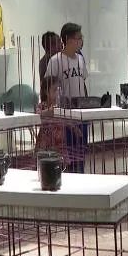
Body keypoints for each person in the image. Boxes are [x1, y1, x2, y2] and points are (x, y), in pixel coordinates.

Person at [45, 23, 89, 172]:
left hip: (81, 112)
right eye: (79, 38)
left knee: (81, 152)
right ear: (69, 40)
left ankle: (81, 177)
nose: (81, 41)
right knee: (68, 155)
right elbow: (48, 86)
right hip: (65, 115)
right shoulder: (55, 61)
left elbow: (82, 82)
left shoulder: (80, 59)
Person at [35, 76, 66, 155]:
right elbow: (37, 115)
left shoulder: (62, 107)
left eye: (59, 90)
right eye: (55, 90)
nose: (58, 93)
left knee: (59, 159)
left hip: (59, 142)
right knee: (44, 159)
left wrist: (75, 128)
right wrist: (49, 111)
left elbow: (69, 120)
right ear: (46, 91)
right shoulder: (42, 105)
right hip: (45, 142)